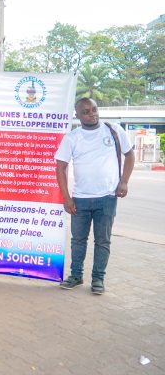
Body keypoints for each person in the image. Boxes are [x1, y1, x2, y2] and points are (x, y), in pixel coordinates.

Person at [55, 97, 134, 295]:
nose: (92, 114)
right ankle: (76, 275)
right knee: (78, 240)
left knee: (103, 241)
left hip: (107, 198)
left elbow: (130, 154)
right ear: (78, 115)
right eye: (86, 111)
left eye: (94, 109)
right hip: (80, 199)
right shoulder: (72, 137)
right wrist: (66, 197)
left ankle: (98, 278)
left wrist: (124, 181)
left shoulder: (113, 130)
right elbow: (60, 167)